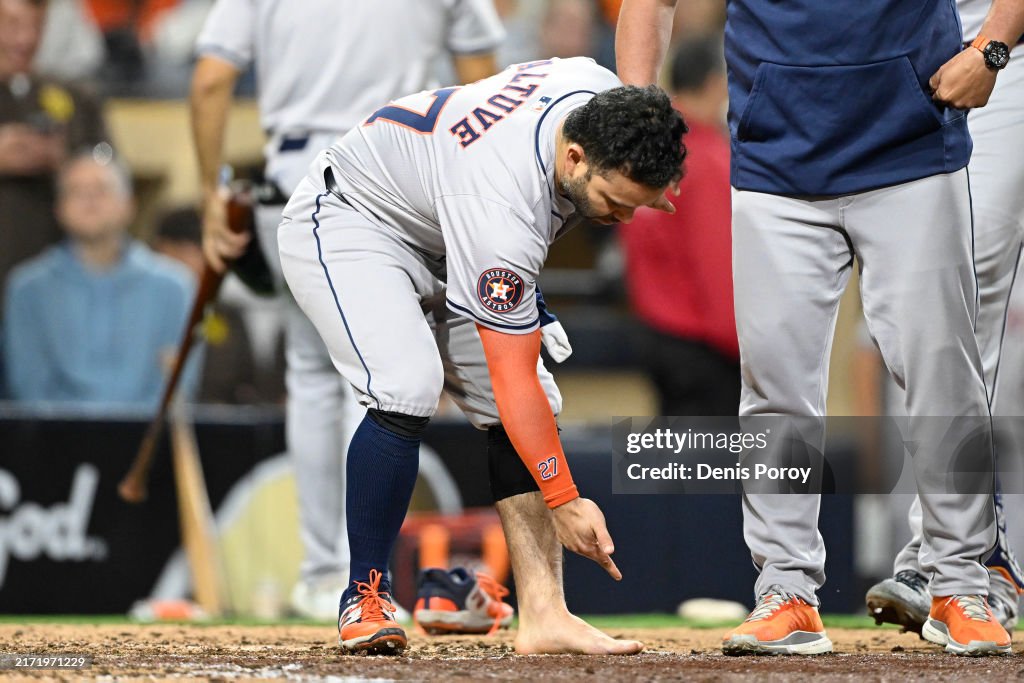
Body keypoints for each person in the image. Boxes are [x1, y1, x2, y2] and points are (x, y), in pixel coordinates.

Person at [617, 0, 1024, 657]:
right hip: (776, 153)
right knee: (775, 385)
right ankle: (785, 589)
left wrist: (993, 49)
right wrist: (636, 116)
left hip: (913, 142)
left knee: (942, 373)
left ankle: (958, 584)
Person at [276, 58, 685, 654]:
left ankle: (544, 615)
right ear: (574, 157)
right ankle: (365, 595)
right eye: (614, 200)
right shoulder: (502, 203)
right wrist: (564, 499)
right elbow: (511, 377)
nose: (623, 218)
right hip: (356, 218)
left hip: (448, 229)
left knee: (534, 410)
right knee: (407, 385)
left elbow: (641, 99)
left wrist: (654, 180)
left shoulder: (599, 94)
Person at [190, 0, 506, 620]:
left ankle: (324, 573)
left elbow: (210, 79)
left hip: (295, 177)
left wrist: (208, 191)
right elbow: (483, 81)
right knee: (379, 375)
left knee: (313, 375)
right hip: (405, 175)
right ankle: (367, 577)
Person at [863, 0, 1024, 636]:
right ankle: (954, 559)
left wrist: (993, 46)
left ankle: (970, 563)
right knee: (916, 314)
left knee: (967, 296)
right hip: (893, 60)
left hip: (997, 47)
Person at [2, 151, 196, 408]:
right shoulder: (27, 289)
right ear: (58, 208)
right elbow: (30, 387)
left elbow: (176, 386)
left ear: (129, 204)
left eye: (102, 190)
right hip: (52, 433)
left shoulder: (175, 287)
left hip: (151, 432)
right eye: (76, 191)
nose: (90, 201)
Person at [619, 34, 736, 416]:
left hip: (655, 332)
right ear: (716, 83)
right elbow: (716, 264)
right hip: (704, 346)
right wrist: (743, 349)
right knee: (710, 452)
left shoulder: (647, 148)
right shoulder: (707, 159)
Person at [0, 0, 110, 302]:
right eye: (11, 25)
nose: (25, 38)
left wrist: (70, 162)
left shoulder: (74, 98)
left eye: (36, 25)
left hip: (57, 291)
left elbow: (109, 162)